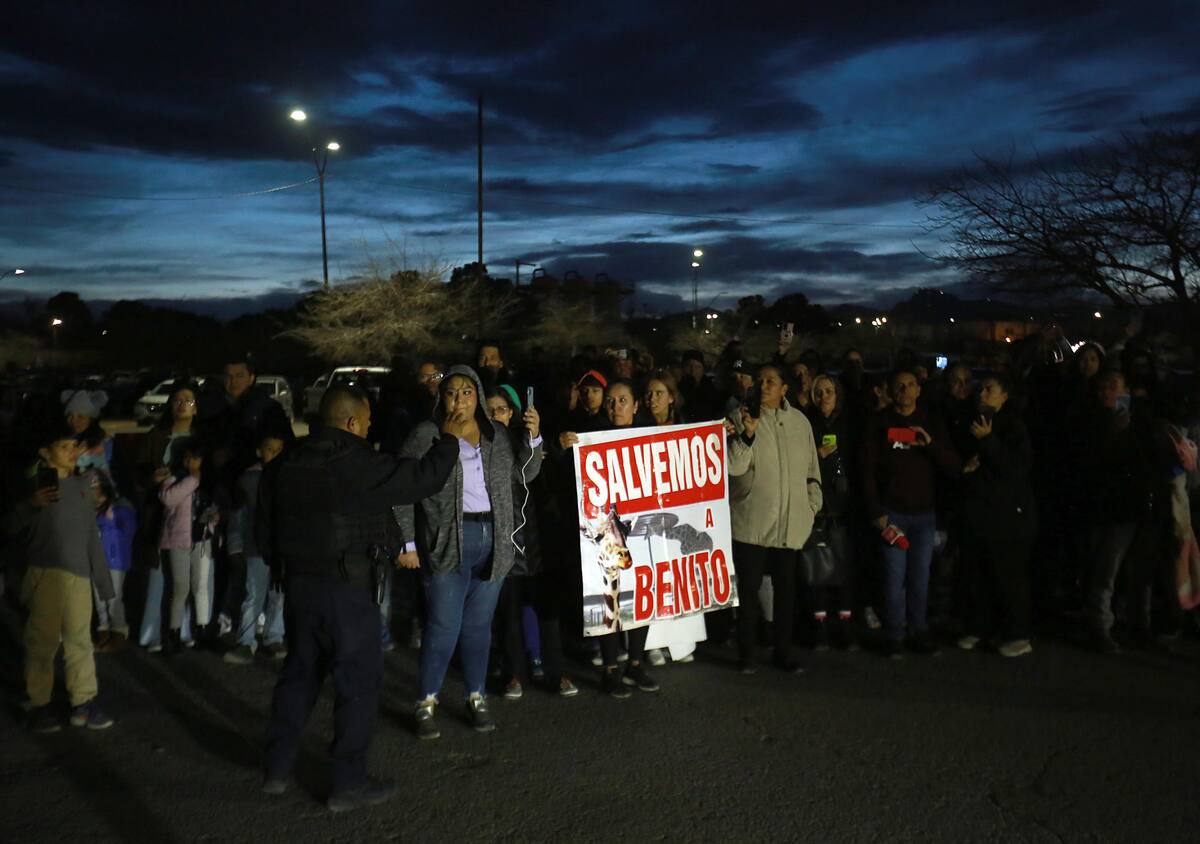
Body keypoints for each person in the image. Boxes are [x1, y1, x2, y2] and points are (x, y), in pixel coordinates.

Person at [258, 385, 462, 811]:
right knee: (358, 685)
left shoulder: (285, 463)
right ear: (351, 422)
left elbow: (264, 528)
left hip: (299, 586)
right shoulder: (355, 461)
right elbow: (423, 478)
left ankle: (277, 768)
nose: (369, 427)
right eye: (367, 420)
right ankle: (347, 782)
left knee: (300, 676)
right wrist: (449, 440)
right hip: (347, 590)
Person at [395, 366, 543, 739]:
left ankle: (475, 695)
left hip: (493, 536)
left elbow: (525, 474)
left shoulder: (495, 435)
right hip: (448, 540)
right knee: (444, 626)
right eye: (451, 392)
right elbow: (402, 489)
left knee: (478, 627)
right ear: (440, 397)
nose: (459, 399)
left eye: (467, 392)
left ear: (477, 396)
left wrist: (534, 437)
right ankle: (426, 700)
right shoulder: (428, 434)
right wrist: (408, 542)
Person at [6, 422, 115, 732]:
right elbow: (11, 526)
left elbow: (90, 537)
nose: (71, 453)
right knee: (42, 642)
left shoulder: (83, 486)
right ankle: (38, 703)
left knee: (80, 641)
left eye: (73, 446)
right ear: (45, 452)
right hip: (45, 573)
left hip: (79, 576)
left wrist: (103, 581)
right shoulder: (33, 486)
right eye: (64, 447)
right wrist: (31, 504)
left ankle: (83, 702)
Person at [560, 379, 660, 696]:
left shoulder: (650, 434)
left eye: (623, 400)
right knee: (611, 592)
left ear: (636, 405)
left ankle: (635, 662)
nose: (616, 406)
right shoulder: (590, 433)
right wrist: (563, 449)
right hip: (607, 529)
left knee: (642, 588)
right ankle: (610, 667)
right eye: (612, 401)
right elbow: (568, 479)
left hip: (641, 525)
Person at [724, 364, 823, 674]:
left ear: (785, 389)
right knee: (749, 590)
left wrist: (812, 503)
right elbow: (733, 467)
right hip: (751, 520)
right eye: (760, 381)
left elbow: (811, 468)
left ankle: (783, 652)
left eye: (771, 381)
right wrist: (747, 435)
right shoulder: (741, 418)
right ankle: (747, 654)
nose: (764, 386)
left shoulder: (800, 422)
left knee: (786, 592)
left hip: (790, 521)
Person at [484, 385, 578, 699]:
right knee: (508, 611)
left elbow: (528, 470)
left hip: (534, 537)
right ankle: (514, 674)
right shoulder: (477, 443)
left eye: (501, 409)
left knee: (547, 610)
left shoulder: (521, 440)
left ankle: (556, 671)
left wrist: (535, 436)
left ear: (512, 413)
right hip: (501, 537)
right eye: (490, 409)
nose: (495, 415)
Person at [860, 369, 961, 658]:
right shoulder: (879, 423)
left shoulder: (932, 422)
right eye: (899, 385)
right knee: (894, 579)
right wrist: (876, 511)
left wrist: (930, 444)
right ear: (891, 391)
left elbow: (952, 465)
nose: (905, 390)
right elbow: (866, 469)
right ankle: (894, 635)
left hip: (924, 516)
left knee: (920, 578)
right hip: (892, 515)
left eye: (910, 385)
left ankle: (918, 631)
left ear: (919, 389)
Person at [956, 373, 1037, 657]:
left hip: (1008, 516)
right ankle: (980, 628)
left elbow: (1015, 469)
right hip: (978, 512)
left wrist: (989, 442)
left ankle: (1017, 634)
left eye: (989, 389)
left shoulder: (1014, 427)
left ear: (1004, 396)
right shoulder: (972, 422)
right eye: (981, 388)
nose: (982, 394)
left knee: (1009, 576)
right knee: (978, 573)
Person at [1078, 371, 1157, 653]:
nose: (1106, 393)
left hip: (1132, 507)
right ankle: (1101, 626)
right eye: (1102, 387)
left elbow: (1147, 459)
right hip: (1104, 507)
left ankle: (1137, 625)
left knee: (1134, 571)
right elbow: (1087, 461)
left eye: (1113, 387)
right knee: (1105, 570)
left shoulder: (1140, 421)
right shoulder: (1091, 421)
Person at [640, 371, 706, 666]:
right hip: (650, 513)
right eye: (649, 394)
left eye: (658, 393)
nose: (653, 399)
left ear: (671, 397)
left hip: (681, 511)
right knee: (653, 573)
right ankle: (653, 643)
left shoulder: (687, 428)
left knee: (681, 571)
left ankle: (681, 640)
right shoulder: (636, 429)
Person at [135, 381, 201, 652]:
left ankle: (184, 630)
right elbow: (138, 476)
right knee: (160, 578)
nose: (183, 404)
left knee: (190, 581)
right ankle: (153, 633)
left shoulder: (202, 438)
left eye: (189, 399)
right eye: (177, 399)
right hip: (161, 519)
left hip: (193, 521)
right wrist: (151, 479)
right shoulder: (155, 436)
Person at [223, 430, 288, 665]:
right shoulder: (249, 480)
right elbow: (238, 515)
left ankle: (274, 636)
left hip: (281, 547)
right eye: (271, 449)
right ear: (260, 451)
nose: (275, 454)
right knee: (253, 595)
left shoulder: (288, 476)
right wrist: (235, 545)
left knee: (278, 595)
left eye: (280, 450)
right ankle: (246, 640)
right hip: (255, 547)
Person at [804, 375, 857, 650]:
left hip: (843, 509)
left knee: (843, 570)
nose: (824, 396)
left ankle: (845, 628)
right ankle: (820, 628)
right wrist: (818, 455)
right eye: (819, 392)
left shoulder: (849, 424)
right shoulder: (806, 424)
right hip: (816, 508)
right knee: (817, 570)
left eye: (829, 391)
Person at [158, 439, 221, 654]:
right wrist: (193, 480)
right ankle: (173, 633)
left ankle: (202, 630)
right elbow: (168, 499)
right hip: (178, 540)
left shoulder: (209, 482)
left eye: (195, 458)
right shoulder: (175, 480)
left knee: (200, 586)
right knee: (180, 587)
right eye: (187, 457)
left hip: (202, 539)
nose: (190, 462)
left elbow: (213, 507)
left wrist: (213, 520)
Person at [93, 471, 137, 653]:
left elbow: (127, 534)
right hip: (97, 559)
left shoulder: (122, 506)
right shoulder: (92, 508)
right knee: (98, 598)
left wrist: (106, 523)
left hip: (116, 560)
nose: (90, 491)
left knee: (114, 599)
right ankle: (103, 632)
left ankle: (118, 633)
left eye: (93, 486)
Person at [62, 389, 113, 476]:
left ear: (91, 420)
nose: (74, 421)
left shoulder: (104, 442)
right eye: (70, 415)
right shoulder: (62, 441)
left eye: (80, 416)